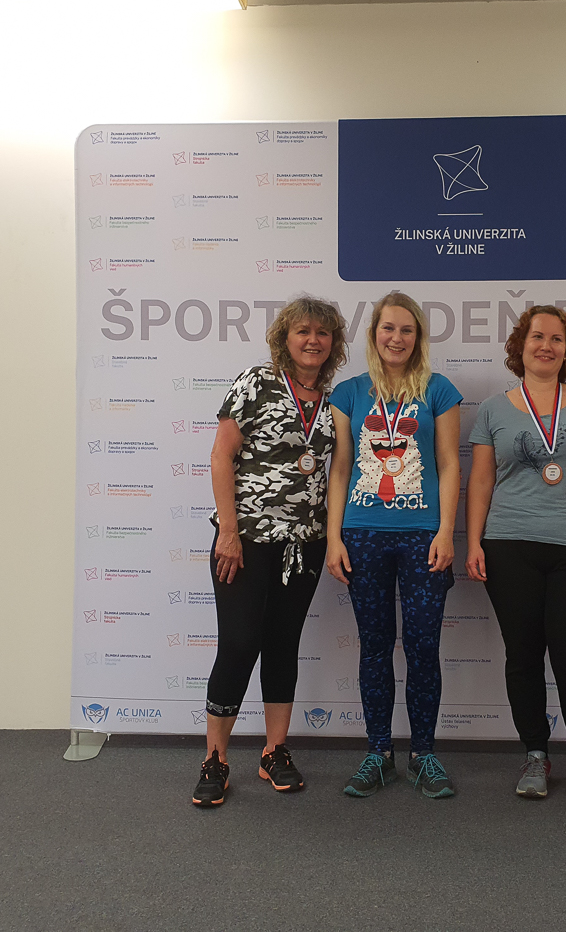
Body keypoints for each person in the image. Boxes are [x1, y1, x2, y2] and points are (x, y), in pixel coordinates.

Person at [465, 305, 566, 805]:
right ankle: (535, 752)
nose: (546, 346)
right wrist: (473, 542)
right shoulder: (492, 409)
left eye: (557, 339)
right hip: (508, 546)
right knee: (523, 656)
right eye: (537, 337)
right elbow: (481, 481)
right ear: (521, 346)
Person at [192, 296, 348, 807]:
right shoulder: (257, 382)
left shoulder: (333, 399)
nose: (313, 340)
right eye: (303, 331)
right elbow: (221, 455)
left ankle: (274, 751)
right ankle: (215, 758)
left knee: (282, 644)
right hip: (245, 542)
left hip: (305, 544)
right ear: (285, 337)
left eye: (322, 333)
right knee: (239, 644)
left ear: (333, 343)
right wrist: (228, 532)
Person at [326, 292, 463, 799]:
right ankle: (378, 753)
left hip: (424, 534)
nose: (397, 338)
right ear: (374, 334)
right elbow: (341, 468)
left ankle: (423, 753)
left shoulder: (438, 390)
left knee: (424, 646)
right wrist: (333, 537)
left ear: (418, 337)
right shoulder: (349, 393)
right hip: (363, 533)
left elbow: (449, 463)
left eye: (407, 330)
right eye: (388, 328)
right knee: (375, 645)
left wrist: (446, 530)